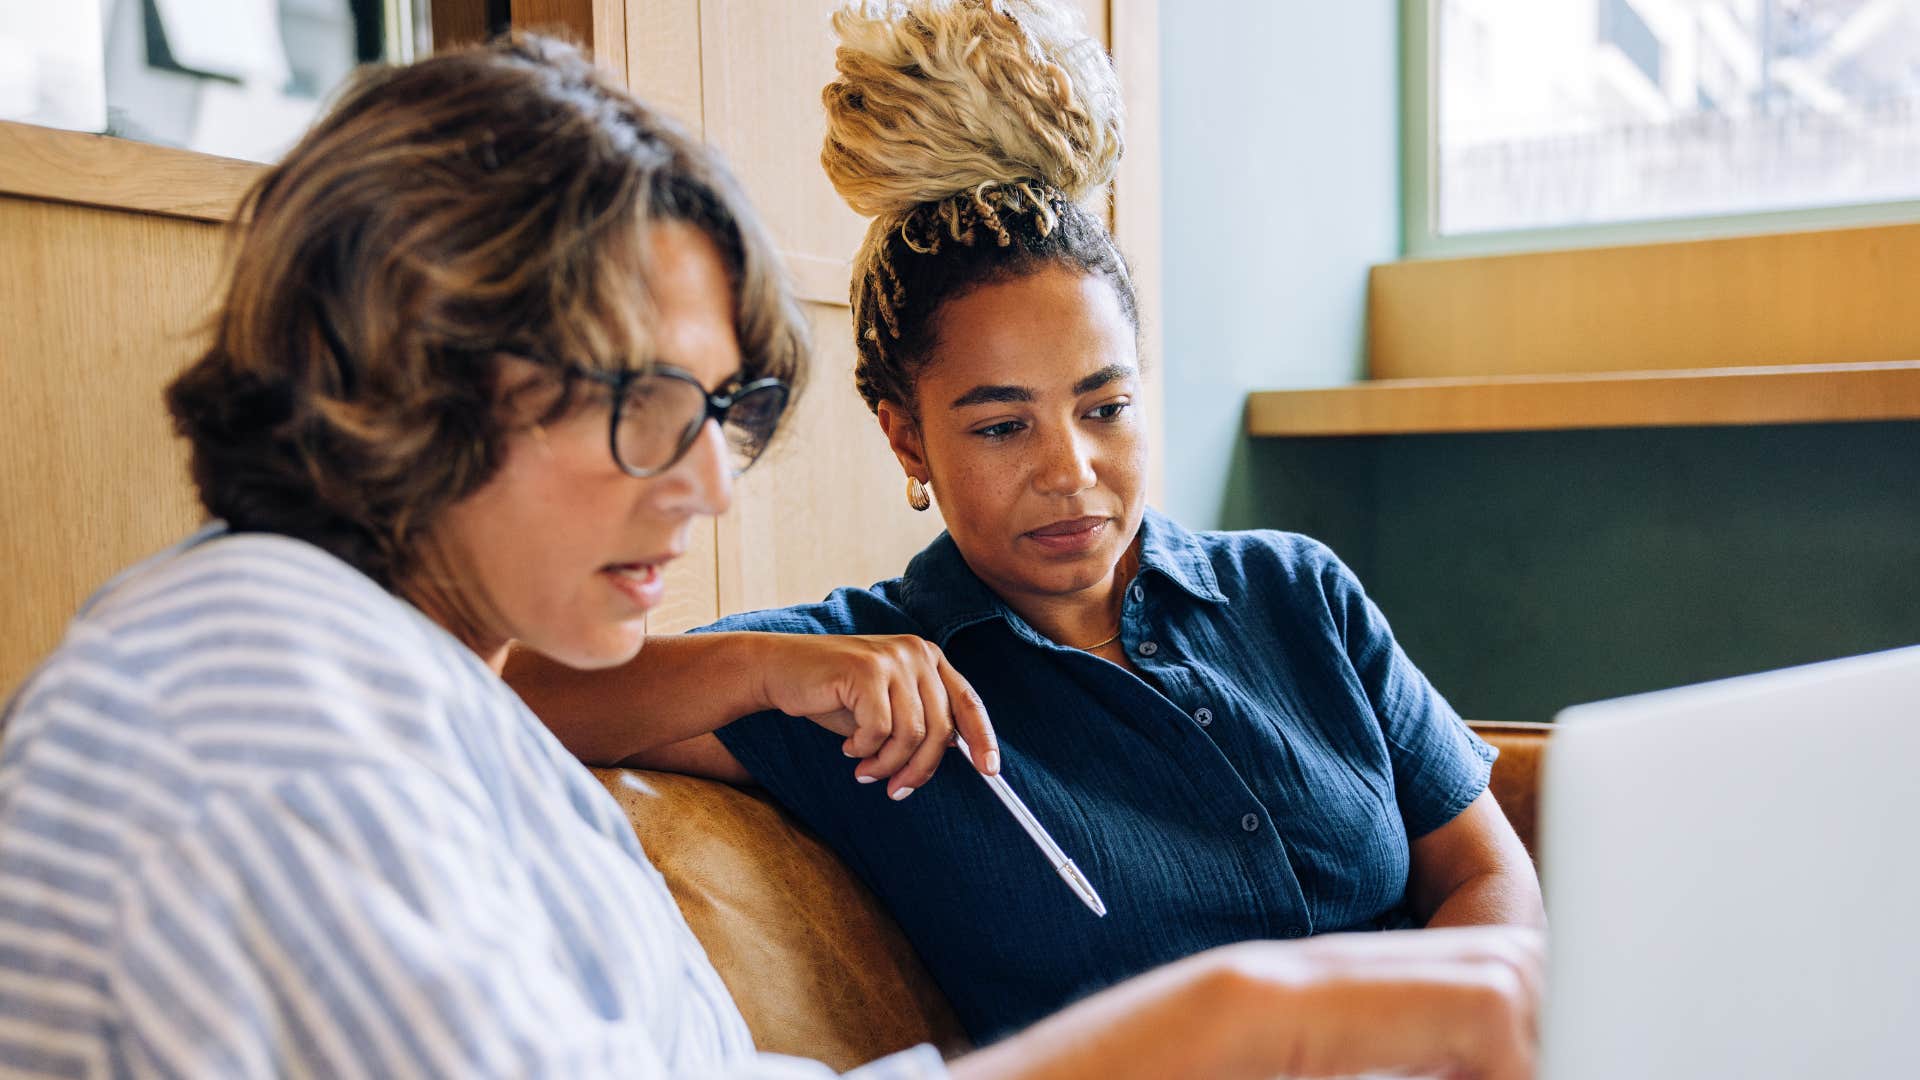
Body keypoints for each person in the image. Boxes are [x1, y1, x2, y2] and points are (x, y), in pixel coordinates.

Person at [0, 32, 1539, 1080]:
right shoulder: (242, 713)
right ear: (412, 375)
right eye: (647, 409)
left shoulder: (419, 705)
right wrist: (1208, 1023)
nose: (711, 489)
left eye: (720, 412)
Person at [516, 0, 1546, 1046]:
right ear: (908, 441)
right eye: (1005, 427)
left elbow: (1484, 869)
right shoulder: (871, 695)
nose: (1072, 471)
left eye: (1105, 408)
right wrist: (768, 670)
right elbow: (519, 693)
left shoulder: (1297, 591)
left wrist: (1439, 1043)